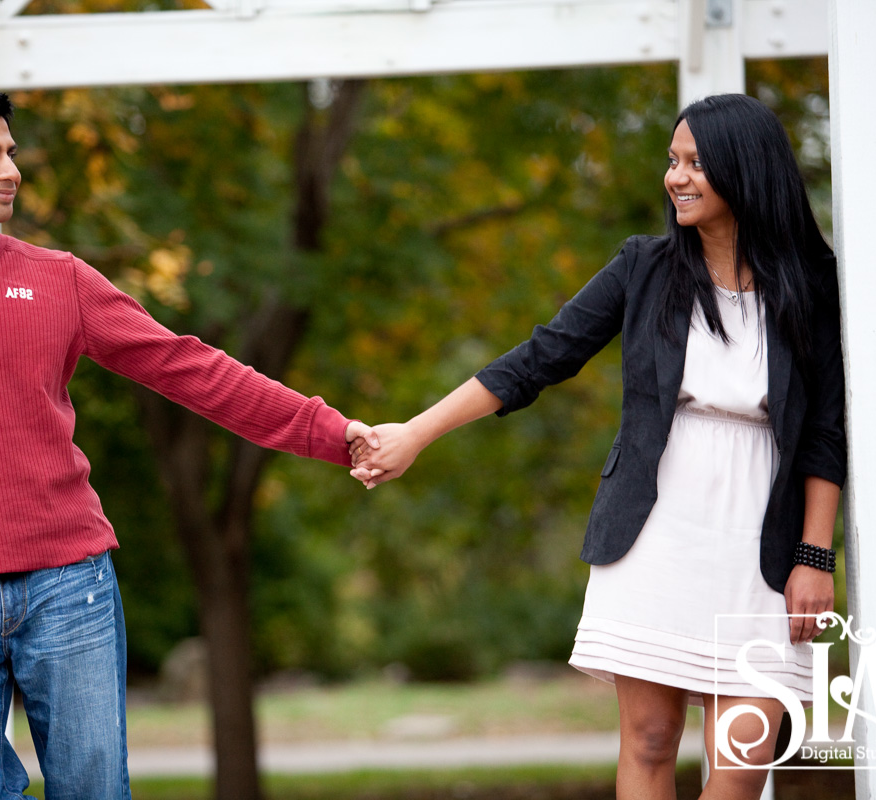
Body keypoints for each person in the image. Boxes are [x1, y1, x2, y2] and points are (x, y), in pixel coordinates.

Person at [0, 80, 376, 800]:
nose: (11, 170)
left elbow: (189, 367)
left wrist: (331, 431)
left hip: (70, 585)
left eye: (11, 151)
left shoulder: (59, 279)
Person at [350, 93, 845, 800]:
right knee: (647, 742)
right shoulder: (644, 268)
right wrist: (418, 432)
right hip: (653, 533)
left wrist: (814, 555)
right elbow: (539, 358)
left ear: (745, 169)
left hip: (762, 544)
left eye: (697, 163)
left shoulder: (812, 288)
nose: (676, 177)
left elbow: (828, 429)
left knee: (742, 758)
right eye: (672, 161)